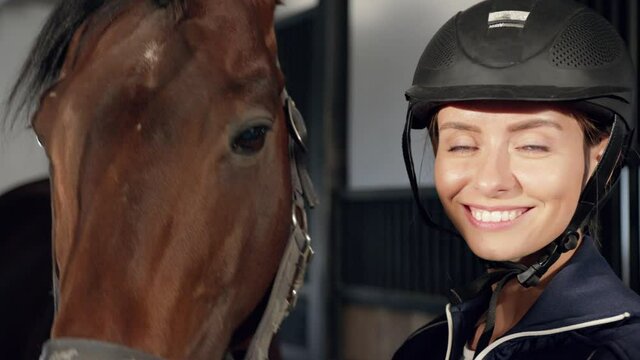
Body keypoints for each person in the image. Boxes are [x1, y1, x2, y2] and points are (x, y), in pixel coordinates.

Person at [393, 0, 640, 359]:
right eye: (461, 145)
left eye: (532, 145)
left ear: (602, 155)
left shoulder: (618, 350)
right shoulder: (425, 345)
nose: (490, 180)